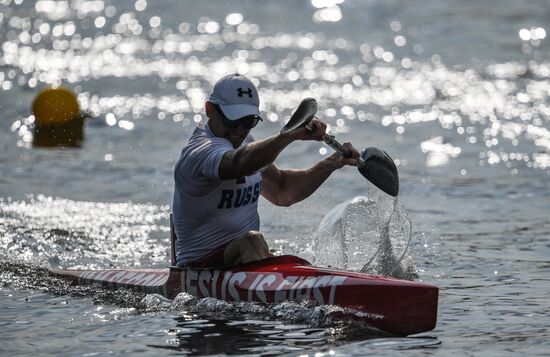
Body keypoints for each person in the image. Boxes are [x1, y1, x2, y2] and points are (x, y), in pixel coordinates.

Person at [172, 73, 359, 268]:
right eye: (232, 121)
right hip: (201, 268)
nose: (239, 130)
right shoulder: (200, 152)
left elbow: (283, 190)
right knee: (252, 241)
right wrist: (288, 136)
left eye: (248, 121)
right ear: (209, 110)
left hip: (244, 261)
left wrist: (332, 162)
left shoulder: (247, 144)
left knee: (294, 261)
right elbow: (239, 163)